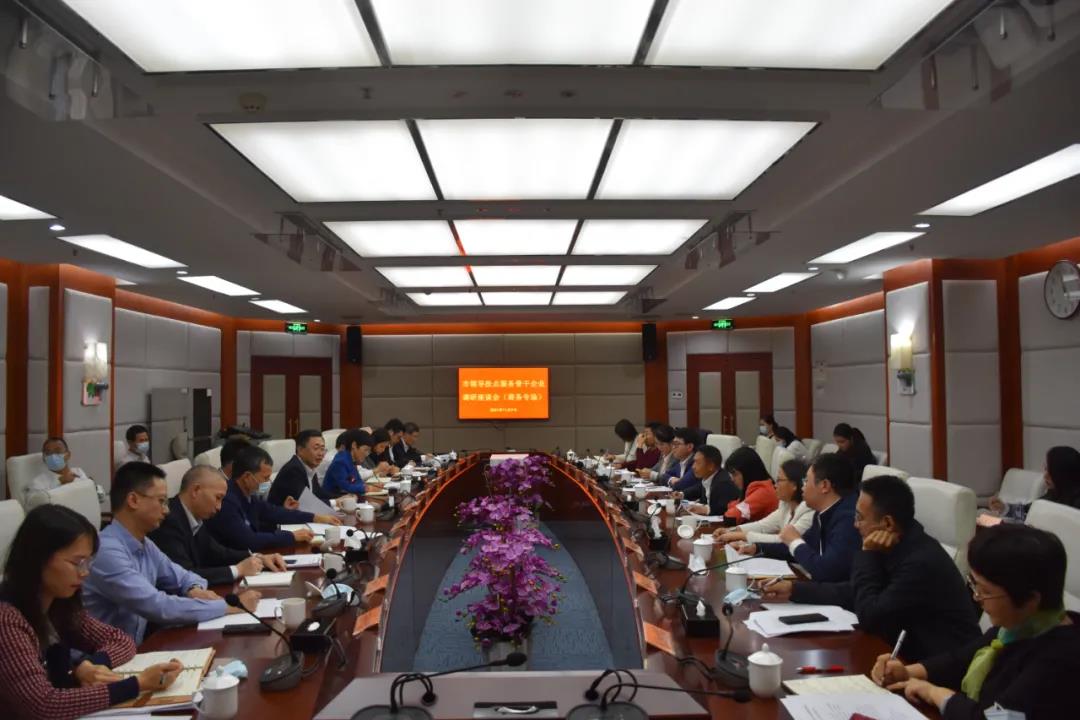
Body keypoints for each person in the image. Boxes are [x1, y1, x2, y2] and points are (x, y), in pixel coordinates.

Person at [763, 475, 980, 661]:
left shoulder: (919, 561)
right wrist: (794, 590)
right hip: (902, 654)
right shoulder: (898, 541)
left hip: (937, 669)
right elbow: (856, 591)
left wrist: (866, 554)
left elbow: (869, 616)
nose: (855, 525)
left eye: (859, 518)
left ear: (887, 523)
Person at [872, 524, 1079, 719]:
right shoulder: (1022, 625)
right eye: (974, 585)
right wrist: (907, 672)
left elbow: (998, 717)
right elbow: (960, 659)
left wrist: (935, 694)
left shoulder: (1060, 658)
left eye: (986, 591)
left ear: (1030, 600)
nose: (976, 597)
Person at [0, 505, 184, 720]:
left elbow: (121, 640)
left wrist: (86, 666)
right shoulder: (7, 620)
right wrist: (137, 684)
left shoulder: (60, 603)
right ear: (38, 558)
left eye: (88, 562)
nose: (85, 572)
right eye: (77, 563)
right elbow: (43, 705)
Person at [82, 463, 258, 644]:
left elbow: (185, 576)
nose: (166, 510)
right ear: (133, 500)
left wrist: (193, 589)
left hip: (135, 648)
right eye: (161, 501)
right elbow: (157, 606)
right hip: (103, 657)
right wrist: (226, 606)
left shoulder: (145, 544)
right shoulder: (106, 551)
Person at [150, 465, 287, 586]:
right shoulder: (168, 521)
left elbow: (217, 552)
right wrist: (237, 570)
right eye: (218, 498)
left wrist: (257, 557)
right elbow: (185, 576)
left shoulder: (194, 516)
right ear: (196, 490)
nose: (219, 507)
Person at [745, 453, 861, 582]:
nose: (802, 487)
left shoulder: (849, 520)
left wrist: (795, 541)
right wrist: (757, 548)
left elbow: (827, 572)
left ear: (824, 485)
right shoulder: (822, 512)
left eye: (806, 481)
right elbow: (802, 547)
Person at [205, 446, 340, 552]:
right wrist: (291, 536)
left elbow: (273, 512)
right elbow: (249, 540)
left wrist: (315, 517)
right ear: (247, 477)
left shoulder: (248, 495)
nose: (268, 482)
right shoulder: (227, 500)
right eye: (265, 478)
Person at [715, 459, 814, 545]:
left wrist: (741, 535)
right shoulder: (785, 505)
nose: (775, 485)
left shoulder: (809, 511)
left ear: (794, 485)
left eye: (779, 480)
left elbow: (784, 540)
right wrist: (731, 530)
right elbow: (762, 526)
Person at [981, 446, 1080, 526]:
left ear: (1063, 474)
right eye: (1046, 469)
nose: (1045, 476)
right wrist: (1004, 508)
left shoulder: (1076, 503)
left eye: (1051, 471)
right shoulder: (1053, 495)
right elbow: (1028, 512)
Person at [267, 429, 331, 506]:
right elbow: (304, 503)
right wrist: (334, 502)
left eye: (322, 449)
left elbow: (318, 493)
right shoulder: (293, 470)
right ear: (300, 450)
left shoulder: (309, 467)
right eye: (316, 448)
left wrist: (341, 498)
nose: (321, 454)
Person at [26, 437, 93, 508]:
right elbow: (33, 504)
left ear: (68, 455)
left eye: (58, 452)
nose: (52, 456)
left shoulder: (78, 472)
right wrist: (59, 482)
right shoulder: (38, 481)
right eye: (48, 453)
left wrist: (91, 485)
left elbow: (92, 495)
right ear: (43, 458)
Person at [720, 447, 779, 524]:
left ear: (748, 472)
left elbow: (731, 517)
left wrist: (735, 508)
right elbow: (733, 506)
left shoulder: (763, 492)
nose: (732, 479)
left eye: (735, 474)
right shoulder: (757, 488)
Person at [679, 445, 739, 517]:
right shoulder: (708, 478)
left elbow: (724, 508)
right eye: (694, 462)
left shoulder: (724, 483)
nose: (693, 467)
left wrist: (705, 509)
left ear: (711, 466)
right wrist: (681, 494)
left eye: (698, 463)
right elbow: (697, 489)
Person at [323, 429, 375, 498]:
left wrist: (368, 486)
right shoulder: (340, 461)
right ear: (354, 445)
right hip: (334, 499)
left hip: (347, 497)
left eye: (368, 451)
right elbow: (346, 487)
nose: (367, 454)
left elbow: (357, 481)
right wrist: (367, 488)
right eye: (365, 450)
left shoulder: (351, 459)